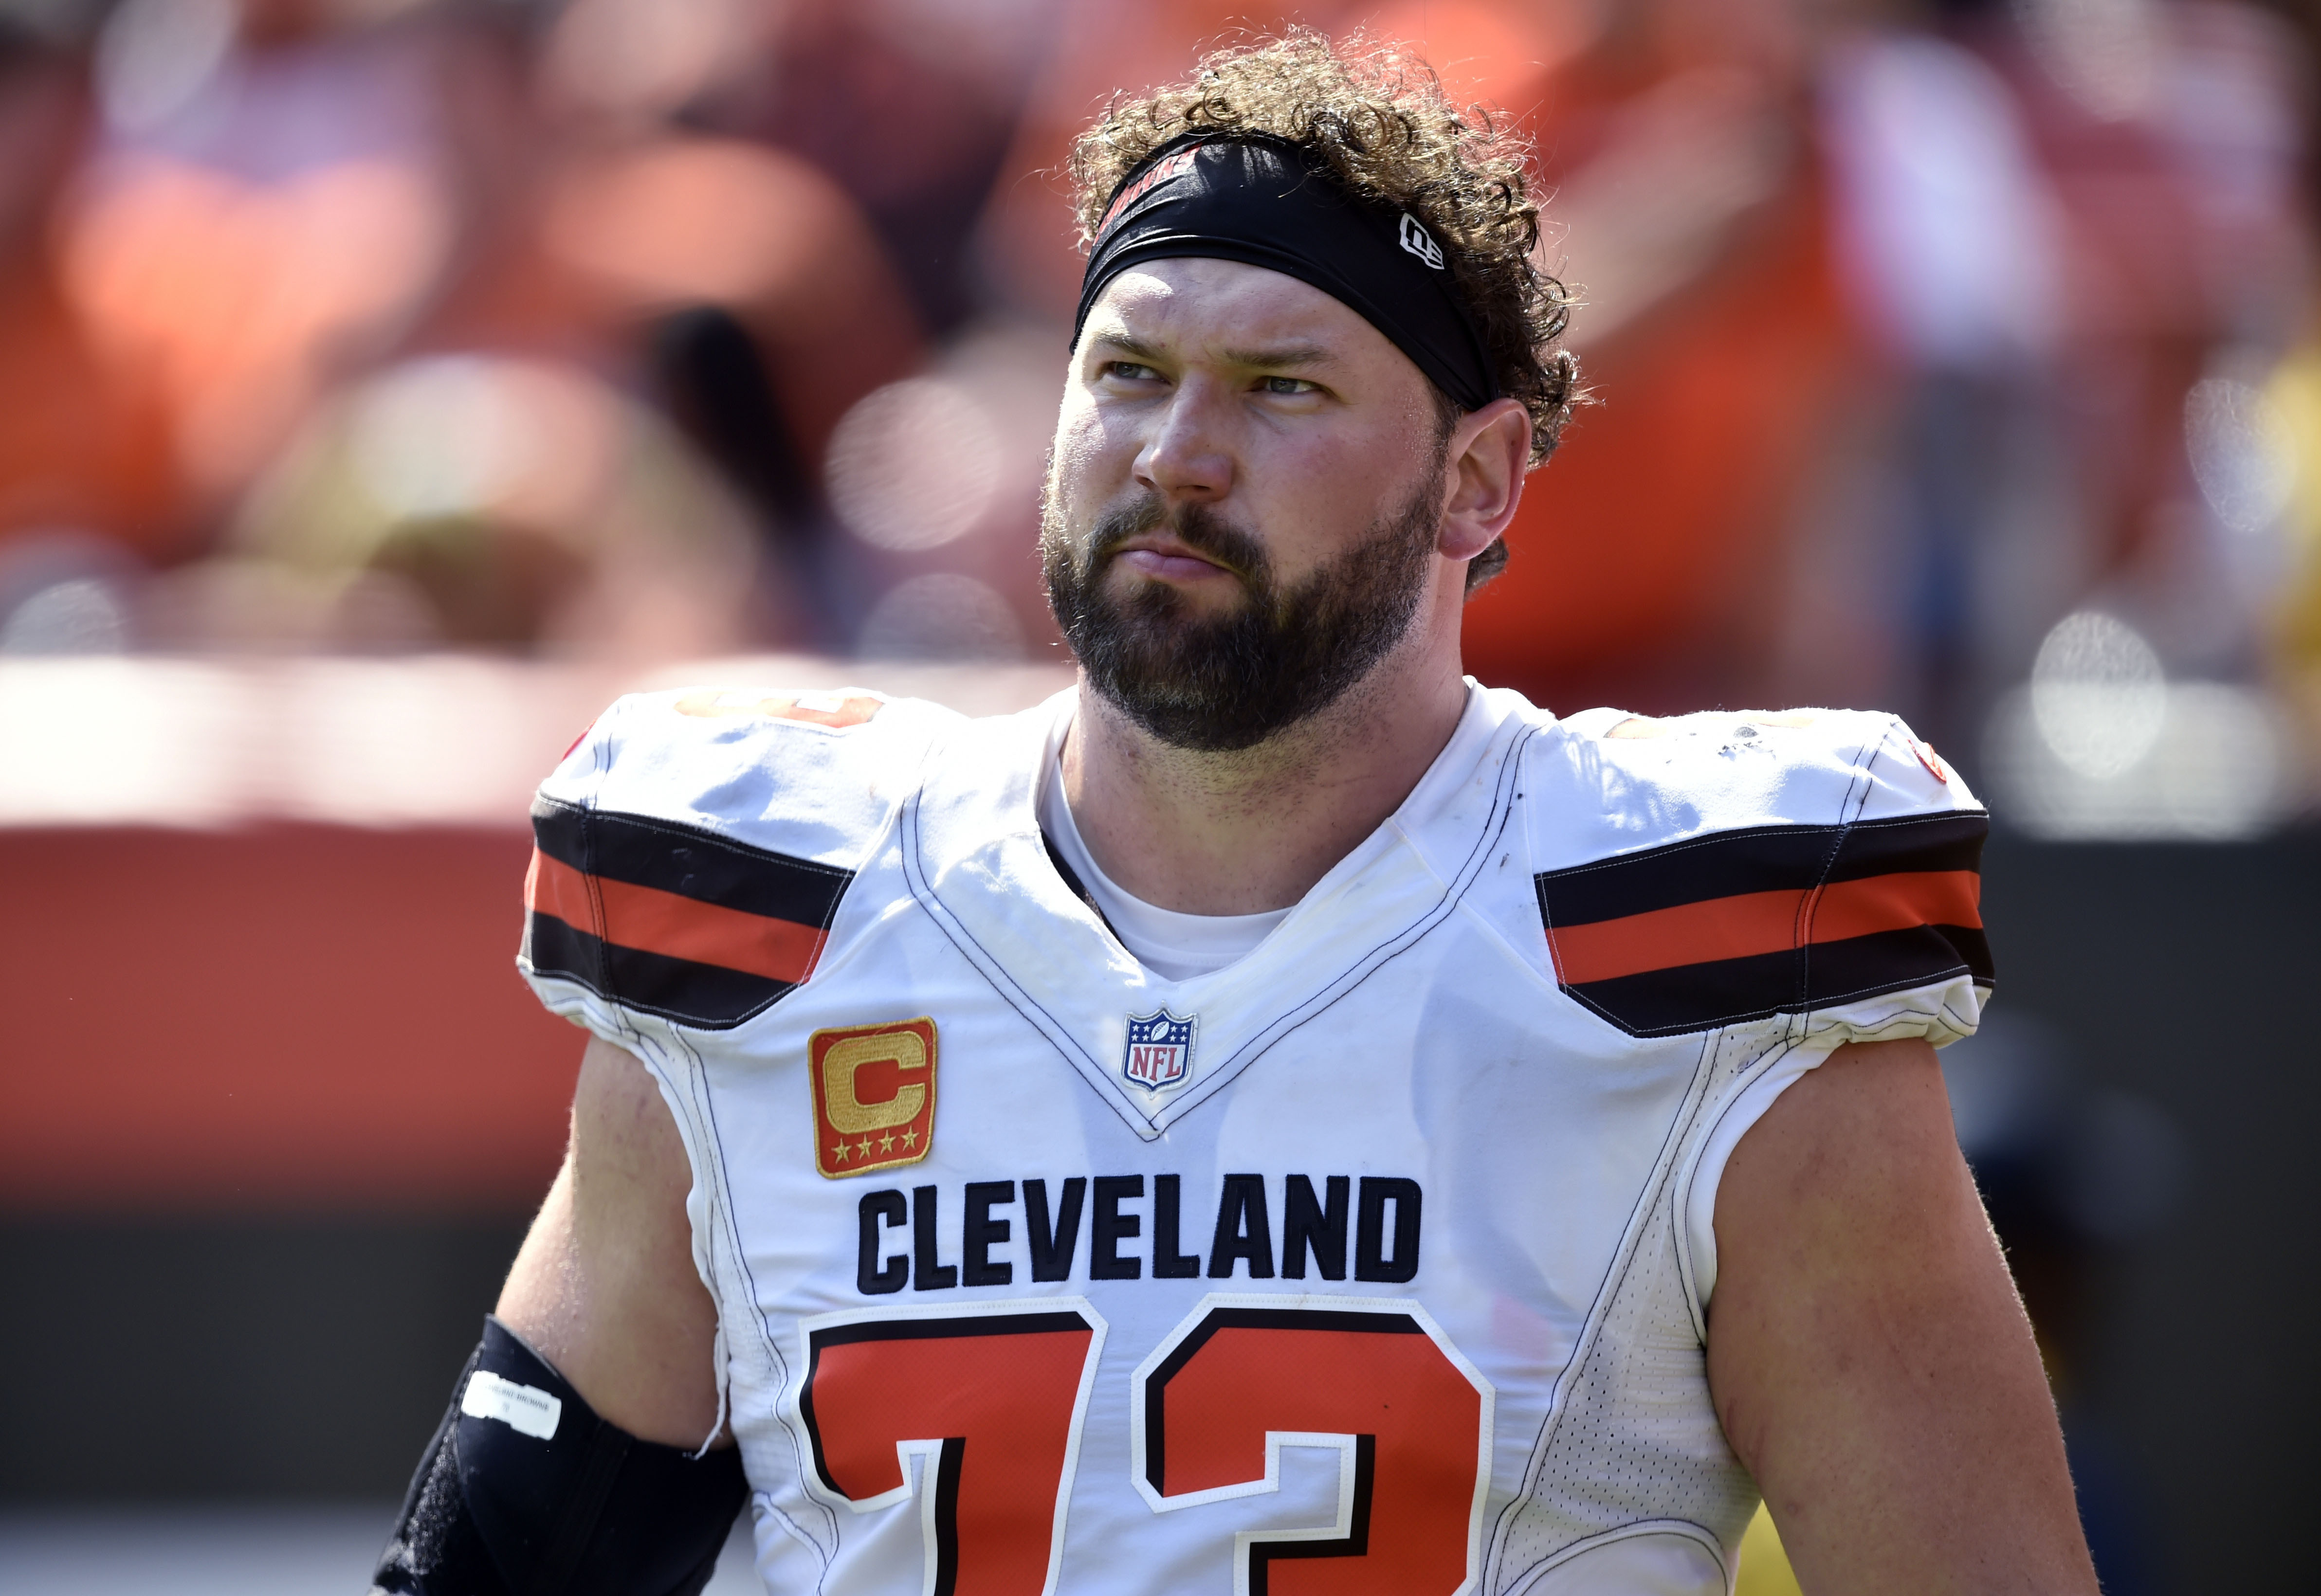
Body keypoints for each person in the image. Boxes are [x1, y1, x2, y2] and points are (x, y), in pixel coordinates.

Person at [374, 31, 2099, 1596]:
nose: (1176, 452)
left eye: (1284, 388)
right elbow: (494, 1584)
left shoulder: (1701, 965)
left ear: (1476, 479)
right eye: (1126, 372)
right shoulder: (782, 917)